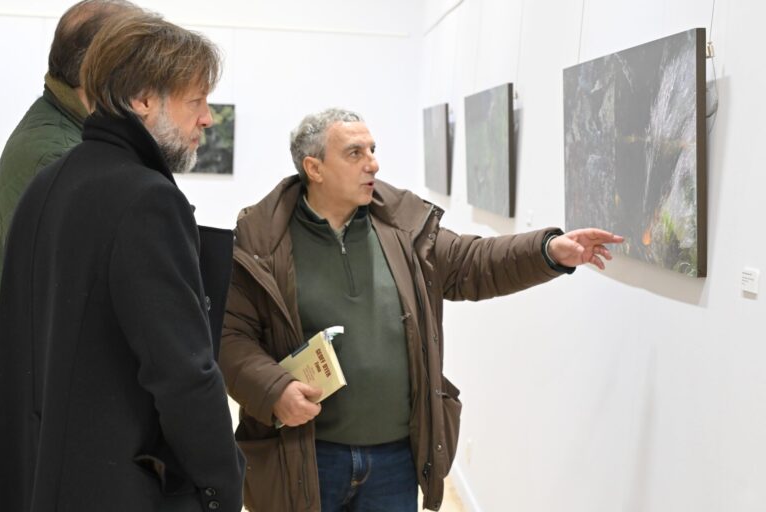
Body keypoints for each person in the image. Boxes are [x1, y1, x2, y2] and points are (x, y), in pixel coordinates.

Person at [219, 107, 624, 511]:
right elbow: (231, 336)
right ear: (315, 168)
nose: (373, 163)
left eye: (372, 149)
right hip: (306, 456)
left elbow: (473, 262)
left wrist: (548, 251)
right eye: (355, 153)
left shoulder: (403, 228)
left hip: (394, 459)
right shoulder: (262, 243)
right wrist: (274, 390)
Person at [0, 12, 245, 512]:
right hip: (123, 485)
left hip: (49, 479)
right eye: (196, 101)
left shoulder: (49, 182)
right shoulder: (147, 199)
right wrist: (223, 486)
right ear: (143, 100)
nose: (207, 118)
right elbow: (183, 372)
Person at [0, 0, 142, 284]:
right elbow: (66, 281)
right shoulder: (57, 155)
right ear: (99, 69)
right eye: (137, 63)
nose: (148, 79)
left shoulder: (69, 135)